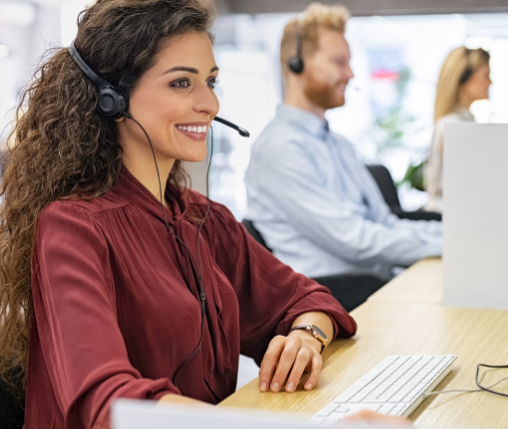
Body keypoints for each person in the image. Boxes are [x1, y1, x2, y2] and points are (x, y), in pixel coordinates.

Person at [0, 1, 361, 428]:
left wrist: (306, 336)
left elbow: (310, 300)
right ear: (112, 98)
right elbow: (109, 404)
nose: (209, 103)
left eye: (210, 81)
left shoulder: (205, 219)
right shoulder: (71, 228)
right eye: (181, 83)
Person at [245, 3, 442, 281]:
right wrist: (448, 246)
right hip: (334, 297)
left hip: (377, 284)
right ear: (296, 64)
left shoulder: (339, 145)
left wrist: (455, 238)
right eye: (339, 62)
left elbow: (384, 223)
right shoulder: (279, 149)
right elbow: (355, 241)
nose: (350, 74)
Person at [424, 47, 492, 213]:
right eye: (486, 75)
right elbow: (469, 183)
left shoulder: (463, 122)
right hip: (446, 216)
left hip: (457, 213)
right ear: (464, 77)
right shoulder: (453, 126)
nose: (490, 82)